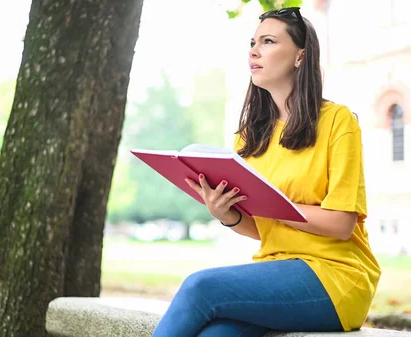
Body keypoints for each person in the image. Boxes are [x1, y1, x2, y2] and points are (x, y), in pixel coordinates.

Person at [151, 7, 381, 337]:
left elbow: (342, 224)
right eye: (252, 42)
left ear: (300, 56)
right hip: (274, 272)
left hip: (335, 277)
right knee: (216, 334)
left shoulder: (337, 121)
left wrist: (277, 206)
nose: (254, 51)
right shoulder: (250, 135)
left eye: (268, 41)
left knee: (199, 286)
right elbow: (262, 229)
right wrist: (225, 214)